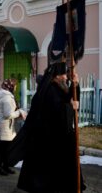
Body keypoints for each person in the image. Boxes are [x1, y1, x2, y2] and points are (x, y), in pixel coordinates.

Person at [9, 62, 86, 193]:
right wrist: (71, 107)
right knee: (48, 170)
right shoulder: (50, 89)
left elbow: (69, 97)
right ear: (56, 76)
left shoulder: (59, 87)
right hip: (50, 137)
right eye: (64, 74)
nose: (66, 77)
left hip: (59, 134)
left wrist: (75, 84)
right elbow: (57, 110)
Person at [0, 79, 26, 176]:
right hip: (5, 127)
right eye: (15, 86)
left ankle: (4, 167)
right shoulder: (7, 98)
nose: (16, 88)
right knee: (4, 149)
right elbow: (8, 114)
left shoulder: (4, 95)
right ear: (10, 86)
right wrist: (20, 112)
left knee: (4, 149)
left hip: (5, 126)